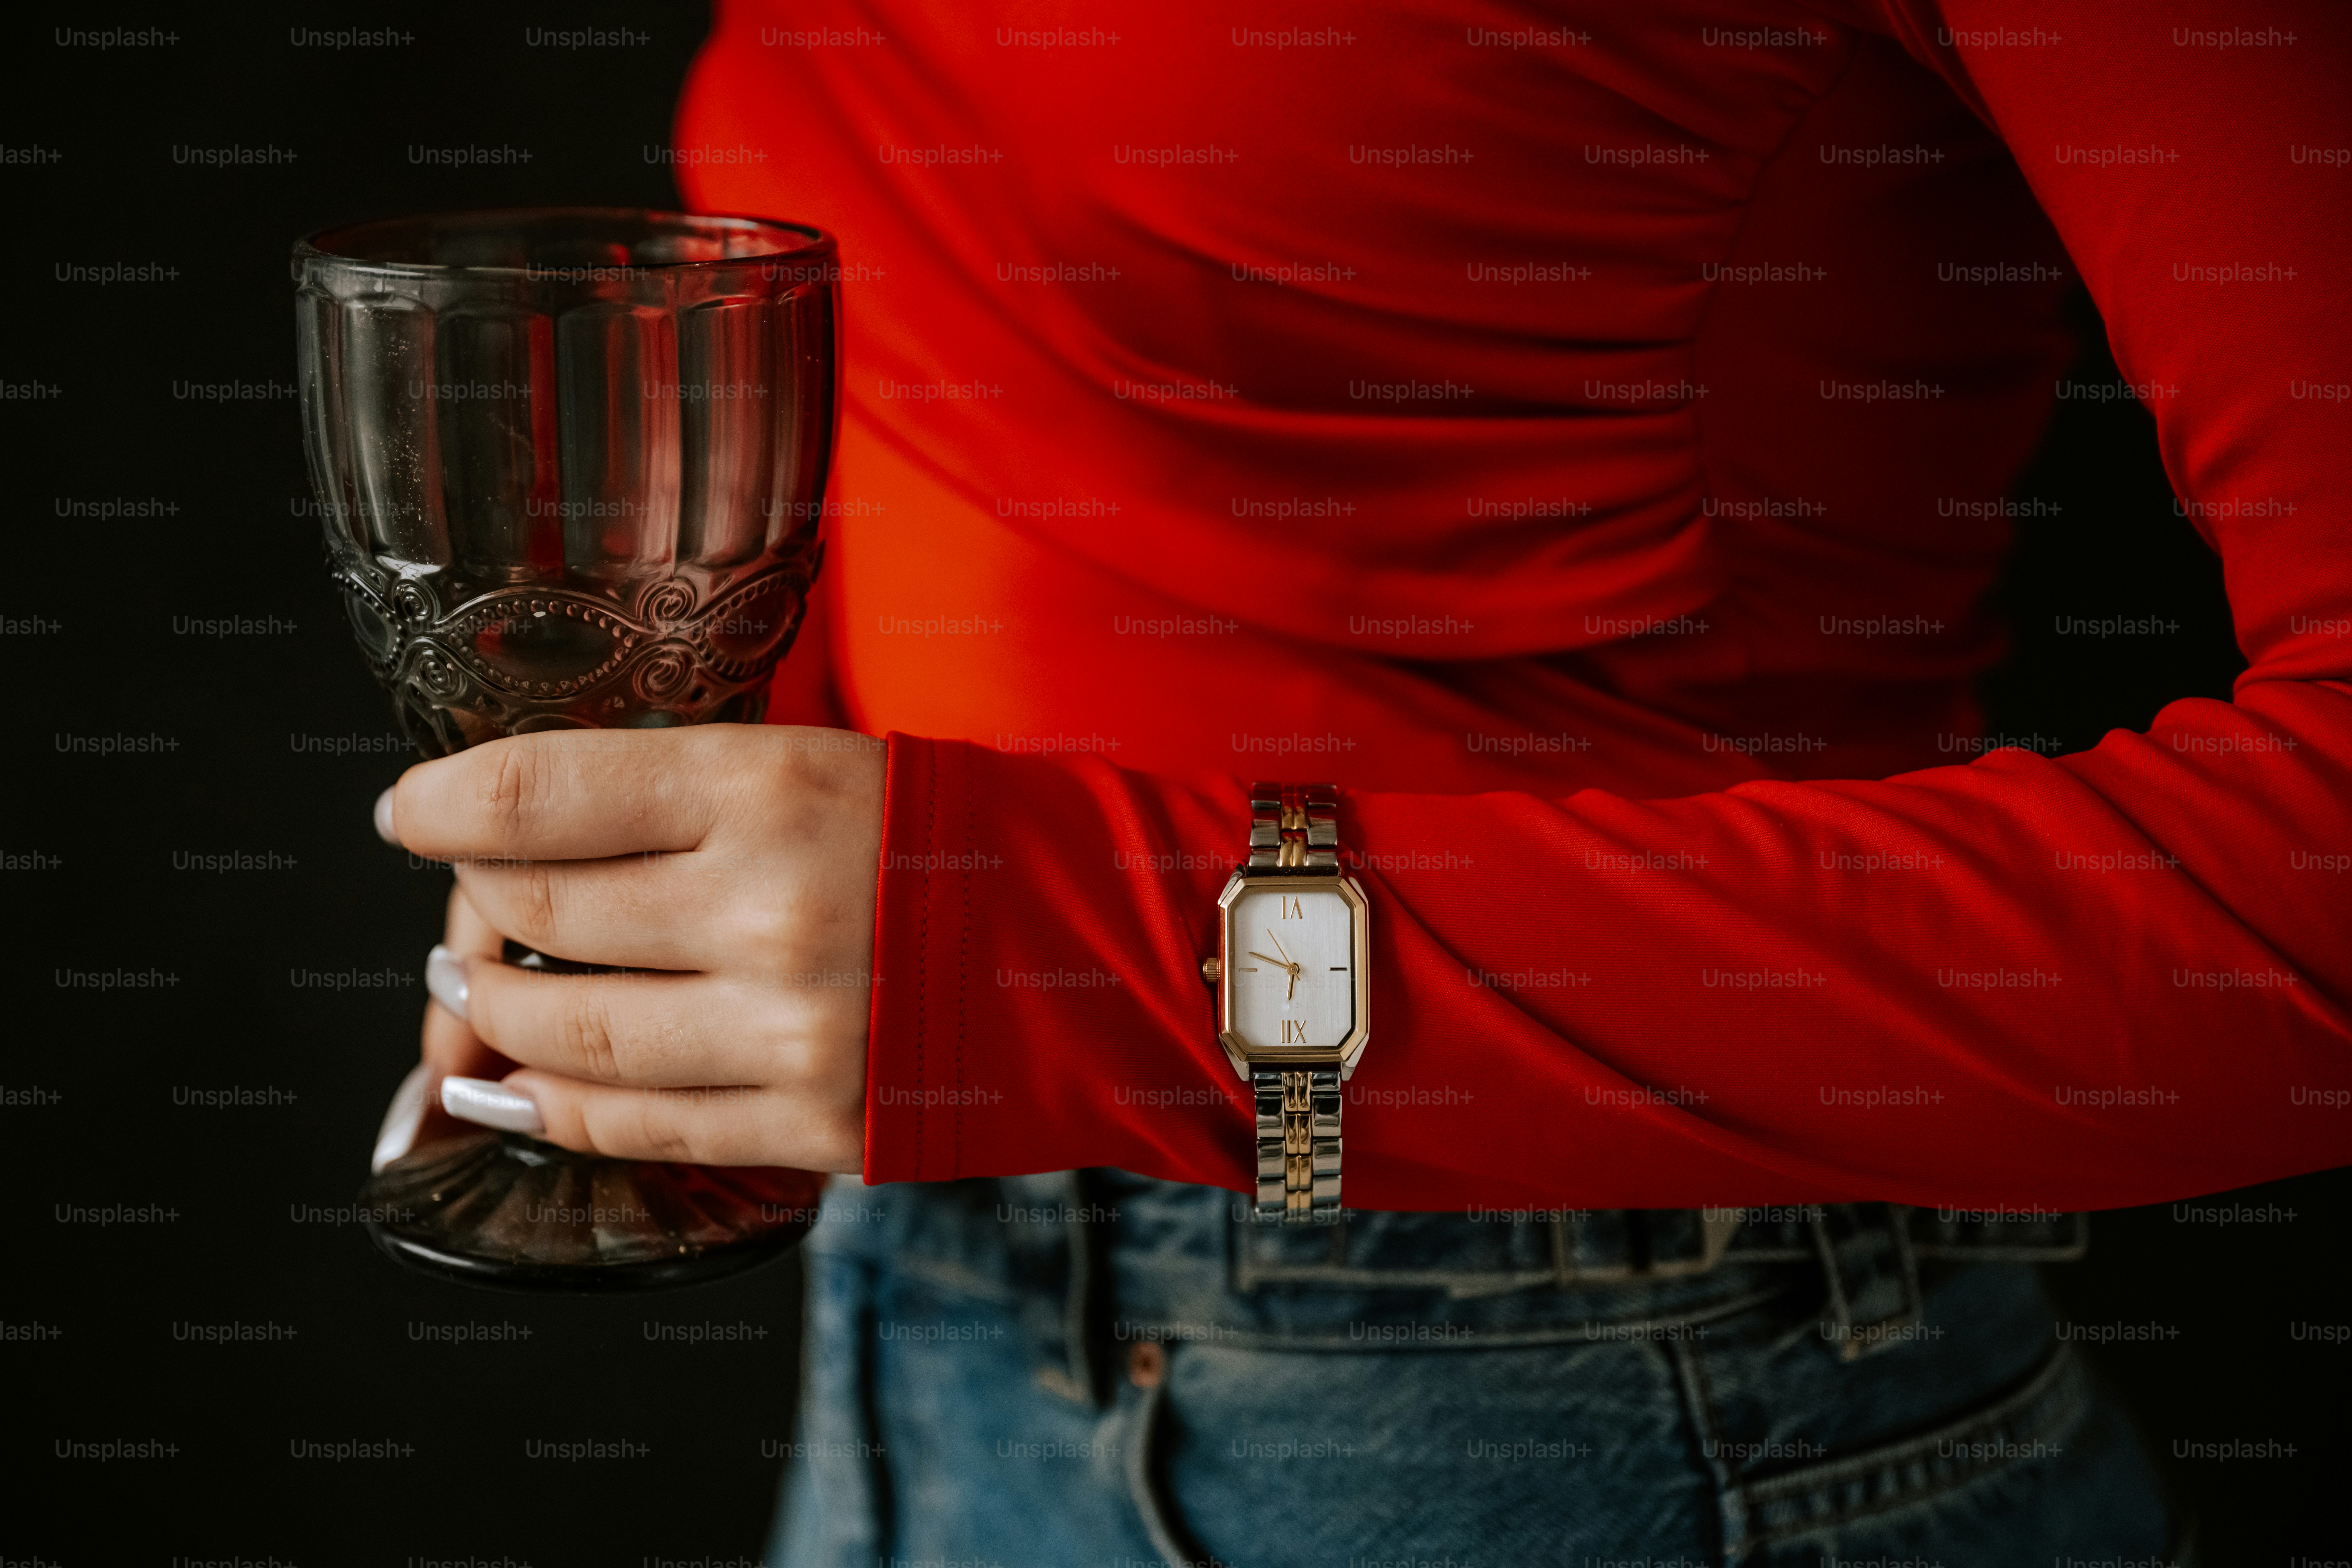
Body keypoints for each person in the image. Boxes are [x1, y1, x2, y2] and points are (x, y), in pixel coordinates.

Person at [374, 1, 2349, 1561]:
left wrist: (1063, 959)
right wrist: (694, 899)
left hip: (1582, 1395)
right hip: (919, 1302)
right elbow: (954, 333)